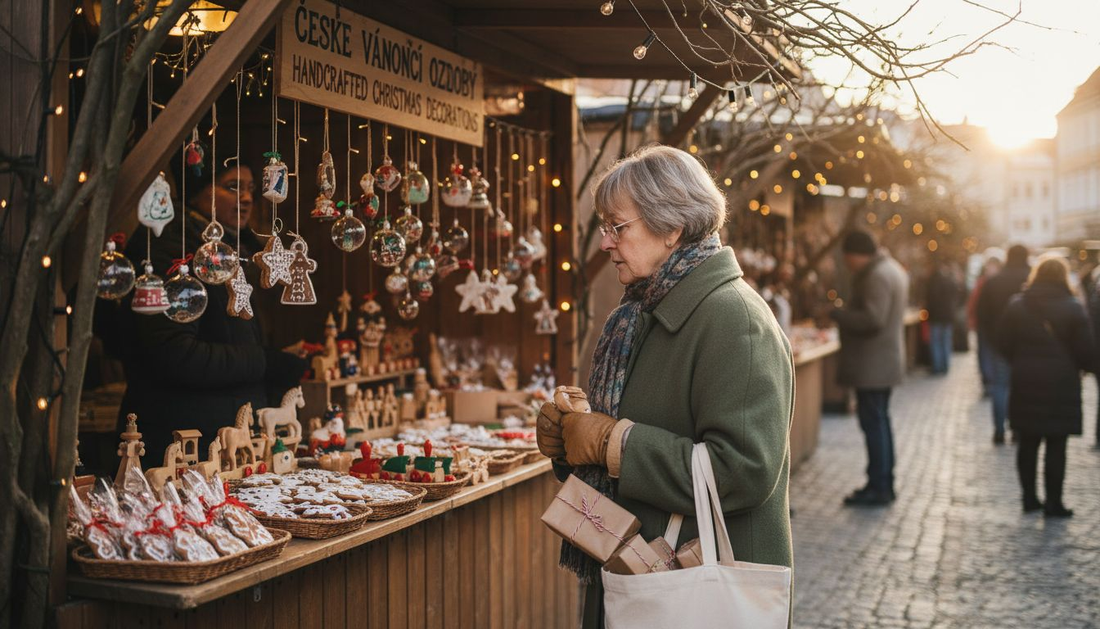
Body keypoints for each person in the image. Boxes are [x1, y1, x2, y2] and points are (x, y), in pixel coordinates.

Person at [535, 145, 794, 628]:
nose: (606, 243)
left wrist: (614, 442)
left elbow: (744, 469)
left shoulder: (733, 319)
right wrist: (572, 442)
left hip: (698, 591)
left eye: (617, 226)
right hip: (648, 578)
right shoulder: (643, 313)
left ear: (672, 227)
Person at [99, 159, 306, 459]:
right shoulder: (175, 255)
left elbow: (227, 337)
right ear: (196, 193)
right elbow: (174, 352)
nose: (246, 197)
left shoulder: (232, 252)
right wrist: (265, 362)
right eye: (232, 186)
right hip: (183, 440)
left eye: (249, 189)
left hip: (219, 435)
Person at [996, 255, 1094, 517]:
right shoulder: (1073, 307)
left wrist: (1020, 360)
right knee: (1056, 444)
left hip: (1026, 378)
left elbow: (1002, 342)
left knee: (1027, 441)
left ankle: (1029, 497)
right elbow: (1086, 351)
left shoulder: (1017, 305)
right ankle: (1054, 503)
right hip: (1061, 382)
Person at [830, 230, 909, 506]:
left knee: (874, 424)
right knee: (880, 423)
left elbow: (872, 319)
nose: (847, 264)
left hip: (874, 364)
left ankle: (879, 486)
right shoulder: (891, 269)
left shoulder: (877, 276)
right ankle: (882, 482)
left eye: (848, 258)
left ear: (856, 255)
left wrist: (838, 314)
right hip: (882, 362)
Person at [977, 244, 1030, 444]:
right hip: (1026, 345)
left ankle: (999, 430)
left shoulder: (994, 281)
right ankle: (1017, 428)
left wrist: (992, 336)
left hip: (999, 342)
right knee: (1021, 387)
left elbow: (982, 314)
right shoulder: (1032, 279)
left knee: (1000, 385)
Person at [967, 252, 1004, 396]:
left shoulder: (994, 282)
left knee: (990, 354)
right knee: (985, 353)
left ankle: (992, 381)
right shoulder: (982, 282)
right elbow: (974, 303)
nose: (990, 269)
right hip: (984, 325)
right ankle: (988, 382)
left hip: (992, 325)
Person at [926, 260, 960, 375]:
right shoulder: (951, 280)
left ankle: (937, 366)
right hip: (948, 315)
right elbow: (958, 295)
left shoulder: (933, 281)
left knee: (936, 341)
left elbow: (930, 299)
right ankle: (945, 366)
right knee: (945, 341)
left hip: (936, 316)